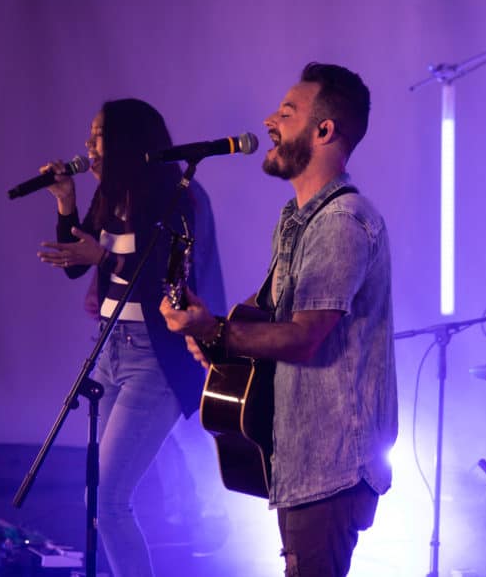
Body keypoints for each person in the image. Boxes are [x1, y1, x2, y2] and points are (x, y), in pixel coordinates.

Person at [160, 62, 398, 577]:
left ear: (324, 130)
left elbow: (305, 337)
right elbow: (265, 316)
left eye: (287, 113)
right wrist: (212, 334)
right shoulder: (297, 220)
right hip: (300, 458)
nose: (269, 120)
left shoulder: (342, 221)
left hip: (333, 463)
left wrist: (216, 331)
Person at [36, 98, 225, 577]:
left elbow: (168, 284)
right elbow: (75, 264)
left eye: (98, 135)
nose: (87, 145)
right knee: (102, 498)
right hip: (109, 348)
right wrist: (65, 203)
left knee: (108, 498)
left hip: (152, 359)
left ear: (125, 141)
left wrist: (104, 260)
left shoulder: (173, 197)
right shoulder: (111, 194)